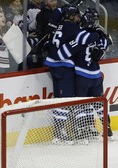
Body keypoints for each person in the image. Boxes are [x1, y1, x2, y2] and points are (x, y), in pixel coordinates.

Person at [47, 7, 114, 140]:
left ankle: (81, 133)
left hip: (81, 75)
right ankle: (107, 130)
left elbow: (62, 53)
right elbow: (105, 43)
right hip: (96, 75)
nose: (79, 18)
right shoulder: (99, 36)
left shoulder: (79, 35)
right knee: (98, 103)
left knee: (80, 105)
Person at [44, 6, 81, 144]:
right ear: (71, 16)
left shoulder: (58, 25)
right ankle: (58, 134)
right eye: (76, 15)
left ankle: (60, 131)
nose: (78, 18)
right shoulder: (73, 27)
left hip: (54, 66)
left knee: (59, 99)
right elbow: (80, 44)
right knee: (64, 100)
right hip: (63, 66)